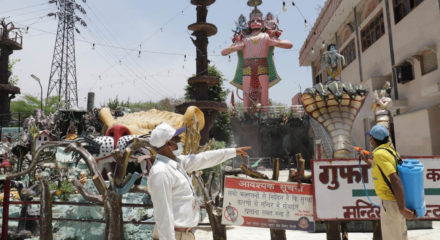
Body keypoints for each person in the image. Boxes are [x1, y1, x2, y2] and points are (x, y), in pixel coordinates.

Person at [148, 123, 251, 240]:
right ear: (168, 144)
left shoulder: (178, 163)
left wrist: (233, 152)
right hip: (174, 236)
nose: (181, 139)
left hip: (186, 235)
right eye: (177, 138)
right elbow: (163, 214)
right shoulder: (161, 172)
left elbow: (203, 158)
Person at [221, 7, 292, 112]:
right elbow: (223, 52)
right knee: (245, 91)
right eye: (252, 21)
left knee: (264, 91)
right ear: (248, 24)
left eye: (258, 20)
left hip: (262, 64)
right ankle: (246, 114)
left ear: (263, 23)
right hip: (247, 66)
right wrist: (236, 46)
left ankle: (265, 114)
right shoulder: (244, 39)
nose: (255, 22)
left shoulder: (266, 37)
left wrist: (276, 41)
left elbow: (290, 45)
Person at [360, 125, 416, 240]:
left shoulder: (379, 154)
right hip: (396, 200)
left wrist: (402, 208)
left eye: (370, 137)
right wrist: (366, 160)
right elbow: (379, 167)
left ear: (373, 139)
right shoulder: (390, 151)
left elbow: (395, 179)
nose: (369, 139)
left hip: (391, 203)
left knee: (392, 237)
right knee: (400, 236)